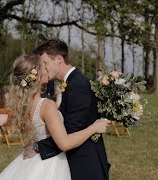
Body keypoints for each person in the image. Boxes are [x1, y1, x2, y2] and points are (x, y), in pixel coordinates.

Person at [0, 54, 110, 180]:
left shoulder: (27, 104)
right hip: (51, 165)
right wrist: (94, 127)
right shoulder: (47, 105)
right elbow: (65, 143)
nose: (47, 69)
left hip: (35, 161)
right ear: (37, 75)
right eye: (44, 67)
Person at [26, 39, 111, 180]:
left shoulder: (78, 85)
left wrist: (38, 146)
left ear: (58, 59)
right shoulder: (71, 82)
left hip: (85, 165)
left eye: (45, 63)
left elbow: (71, 131)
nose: (43, 69)